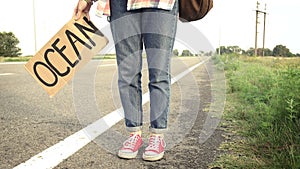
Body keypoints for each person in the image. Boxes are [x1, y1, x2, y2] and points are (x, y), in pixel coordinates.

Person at [73, 0, 178, 161]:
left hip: (162, 4)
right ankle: (134, 133)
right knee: (127, 73)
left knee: (159, 72)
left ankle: (157, 136)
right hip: (121, 4)